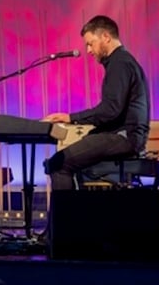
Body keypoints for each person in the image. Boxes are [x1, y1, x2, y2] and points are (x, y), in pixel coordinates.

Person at [43, 15, 150, 190]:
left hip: (124, 137)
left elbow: (111, 110)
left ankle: (67, 217)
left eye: (90, 43)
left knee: (58, 164)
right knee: (75, 153)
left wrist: (70, 117)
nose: (88, 50)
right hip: (124, 135)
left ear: (106, 37)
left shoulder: (120, 63)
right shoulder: (122, 61)